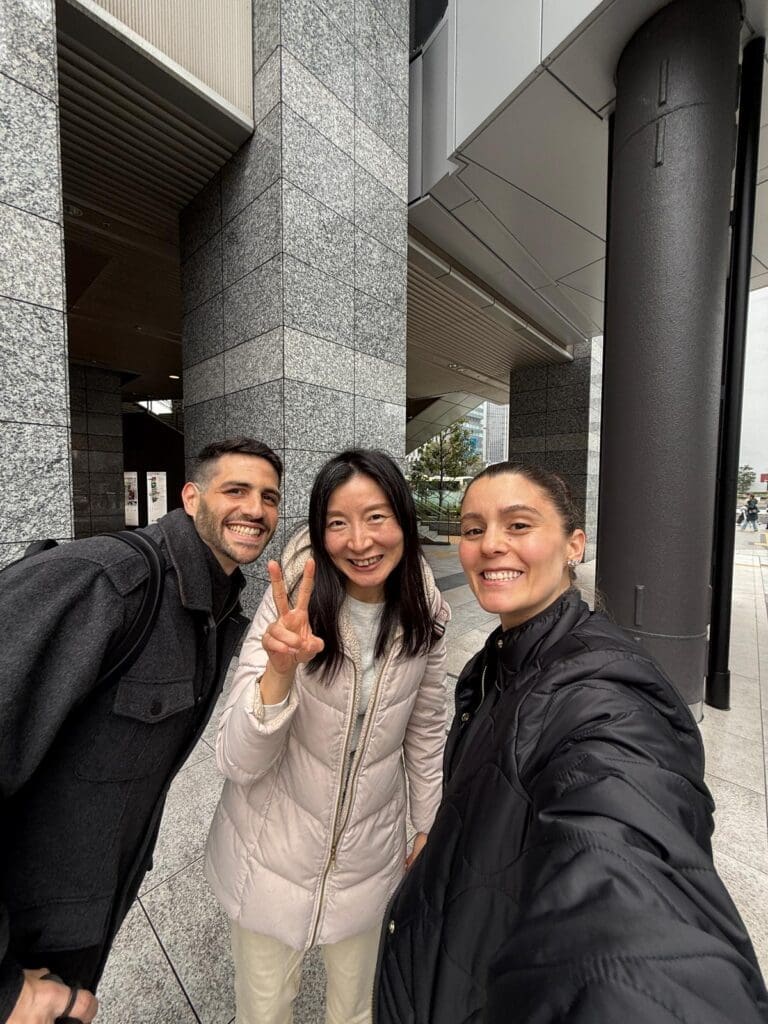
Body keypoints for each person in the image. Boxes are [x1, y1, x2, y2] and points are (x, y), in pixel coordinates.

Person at [375, 461, 768, 1024]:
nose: (490, 546)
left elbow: (624, 870)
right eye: (471, 529)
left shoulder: (603, 695)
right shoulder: (499, 664)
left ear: (573, 545)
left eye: (518, 525)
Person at [0, 437, 282, 1024]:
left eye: (269, 497)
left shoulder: (216, 608)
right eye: (236, 490)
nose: (255, 509)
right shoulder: (101, 582)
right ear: (190, 496)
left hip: (83, 913)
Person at [205, 448, 450, 1024]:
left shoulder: (426, 608)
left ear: (404, 522)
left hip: (370, 857)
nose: (359, 541)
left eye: (377, 517)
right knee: (264, 1012)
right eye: (338, 523)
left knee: (357, 1012)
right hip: (268, 855)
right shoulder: (291, 598)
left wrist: (426, 823)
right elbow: (236, 761)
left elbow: (427, 728)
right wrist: (279, 673)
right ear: (320, 531)